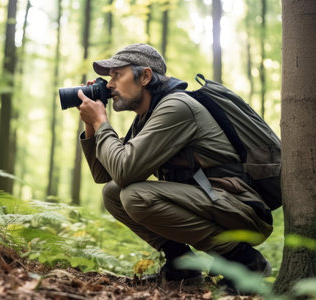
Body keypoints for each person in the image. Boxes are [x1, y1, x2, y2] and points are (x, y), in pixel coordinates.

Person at [77, 43, 273, 288]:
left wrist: (102, 122)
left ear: (145, 76)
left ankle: (245, 261)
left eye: (117, 74)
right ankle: (181, 267)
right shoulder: (146, 118)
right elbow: (104, 173)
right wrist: (91, 125)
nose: (108, 84)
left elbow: (124, 170)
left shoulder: (176, 107)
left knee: (135, 196)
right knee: (113, 193)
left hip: (240, 207)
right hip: (211, 201)